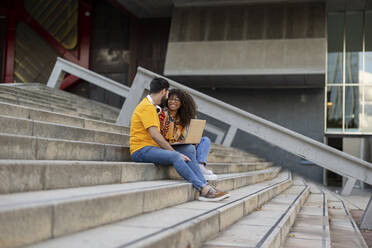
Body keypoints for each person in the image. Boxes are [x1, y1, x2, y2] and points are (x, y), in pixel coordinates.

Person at [130, 77, 229, 201]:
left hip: (151, 148)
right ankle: (203, 189)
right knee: (176, 157)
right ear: (163, 91)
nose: (168, 97)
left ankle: (206, 185)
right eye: (167, 94)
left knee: (188, 148)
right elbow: (155, 135)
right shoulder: (147, 107)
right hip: (141, 150)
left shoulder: (152, 106)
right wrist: (175, 152)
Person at [158, 89, 217, 180]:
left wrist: (192, 140)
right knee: (189, 147)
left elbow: (188, 136)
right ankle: (197, 170)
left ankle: (200, 165)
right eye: (170, 99)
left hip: (182, 144)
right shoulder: (162, 114)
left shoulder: (184, 117)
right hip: (170, 145)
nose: (173, 102)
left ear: (182, 103)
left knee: (205, 140)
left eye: (177, 100)